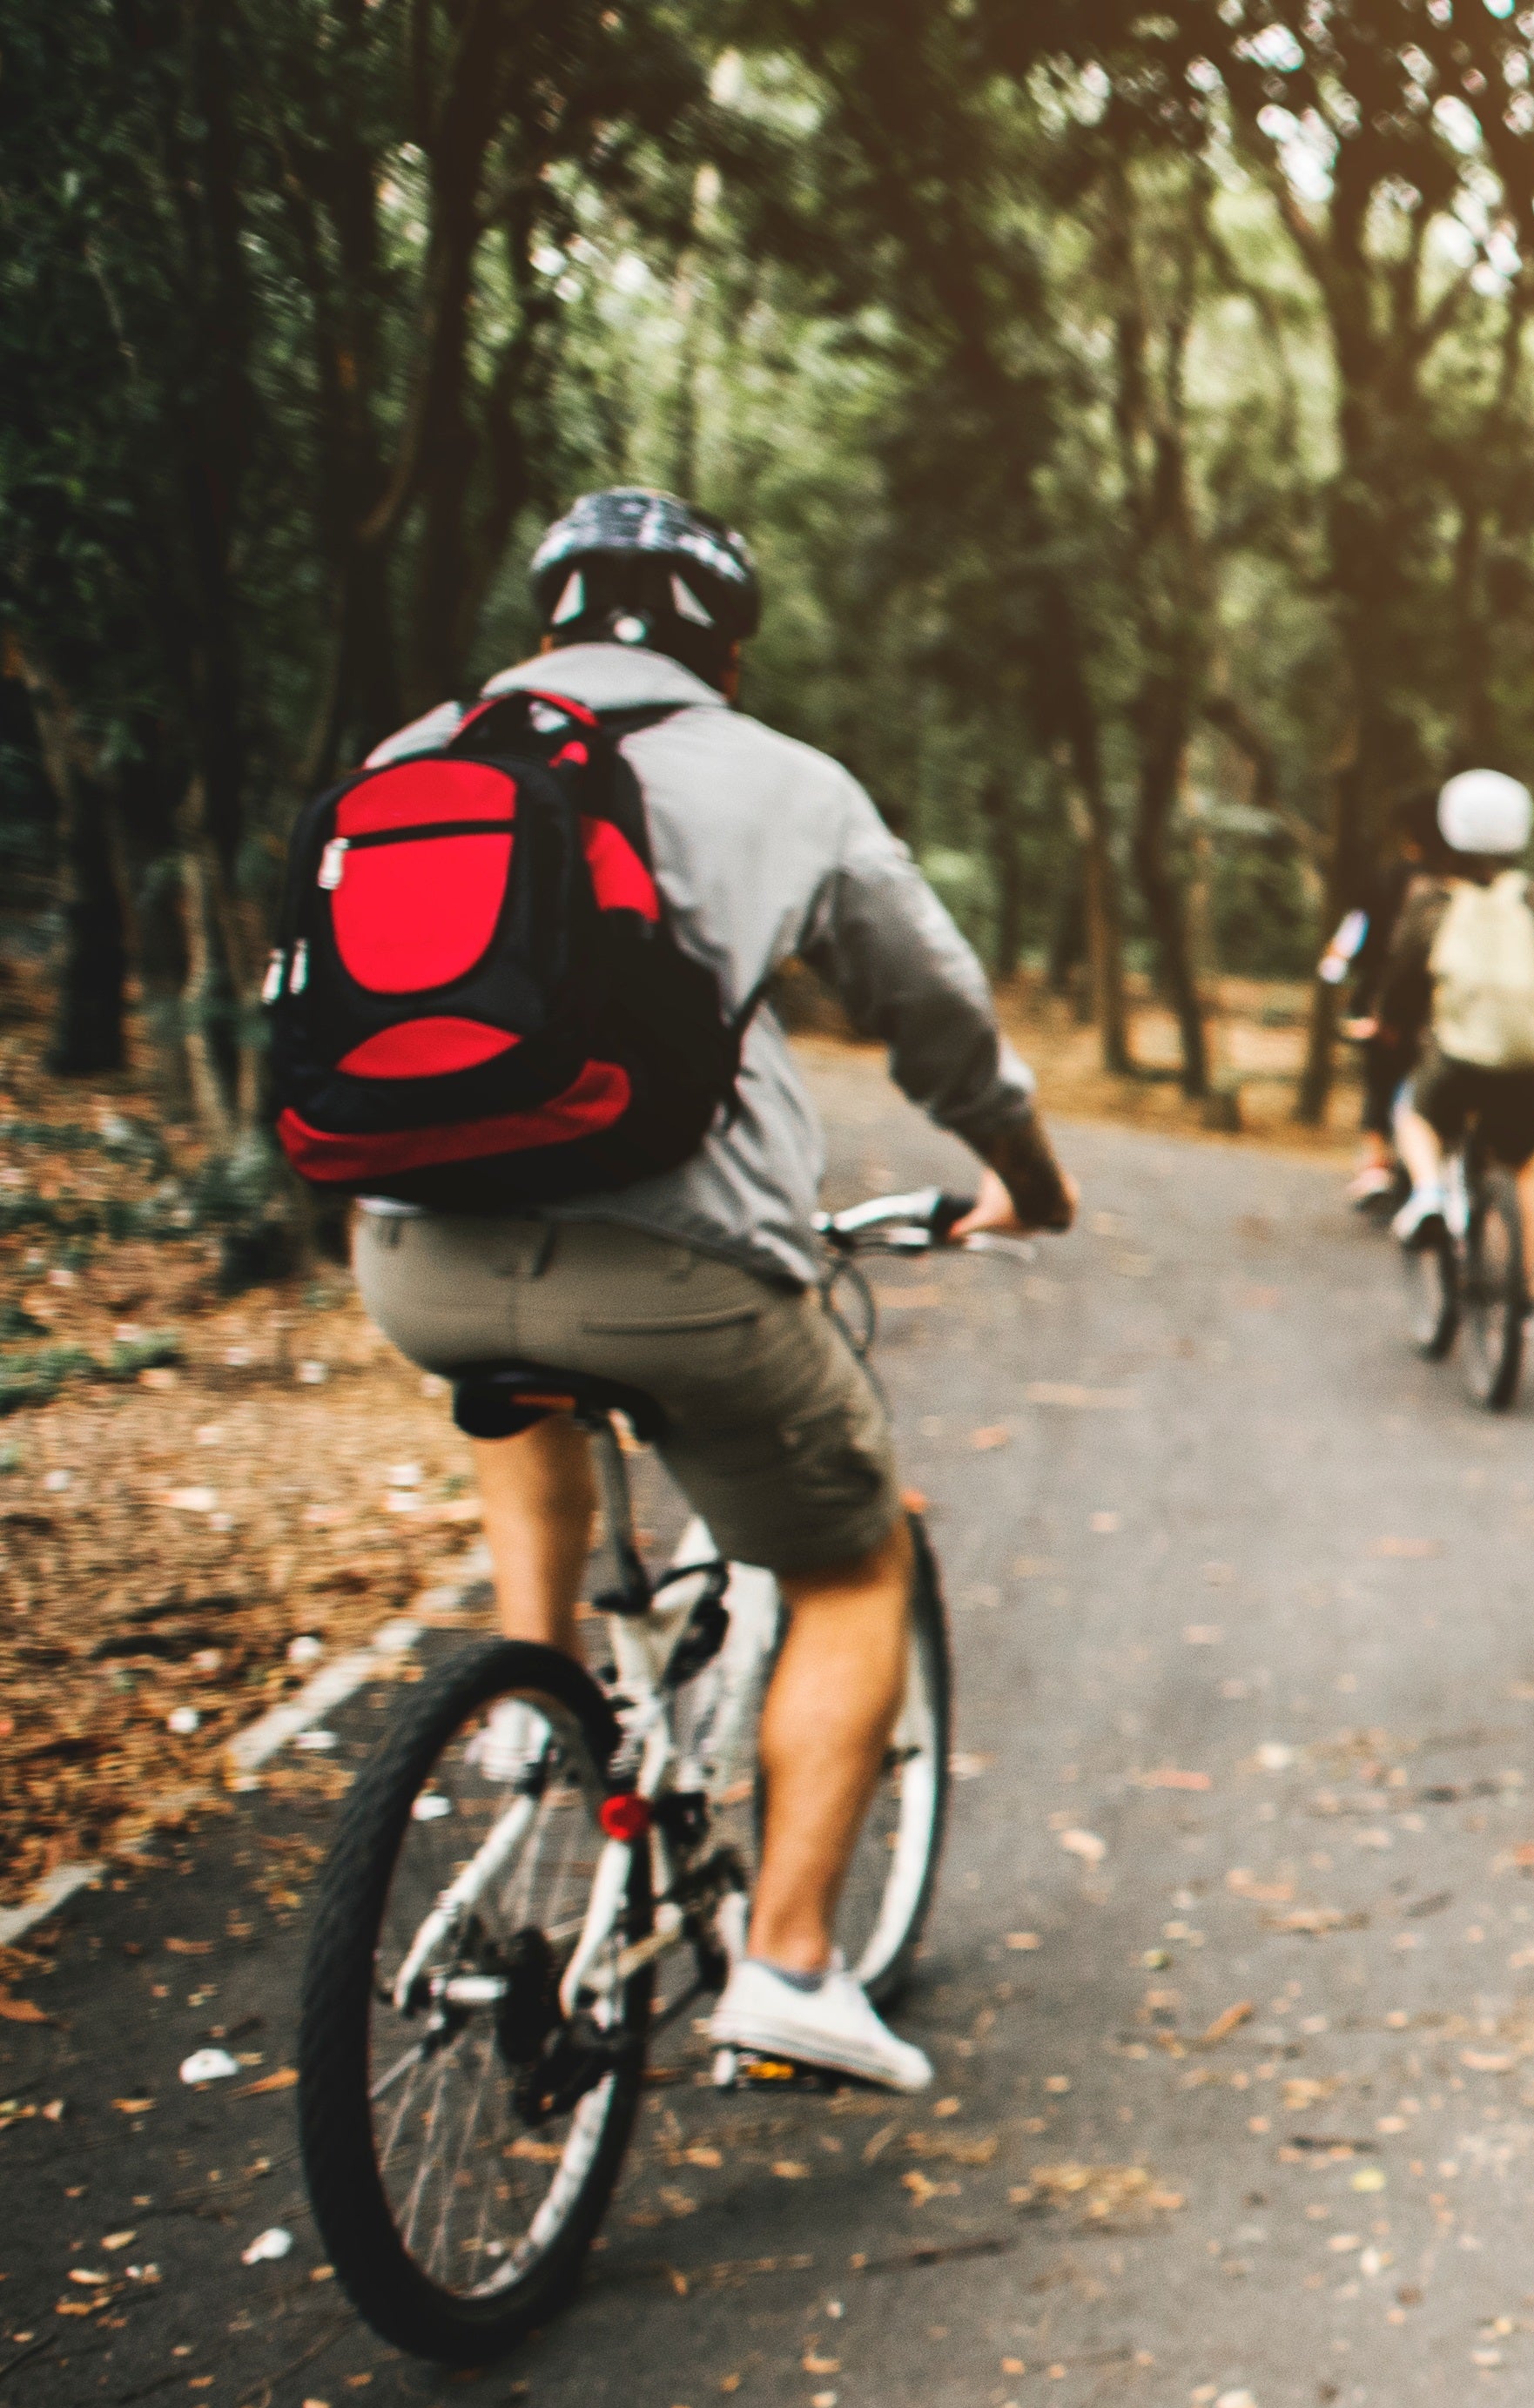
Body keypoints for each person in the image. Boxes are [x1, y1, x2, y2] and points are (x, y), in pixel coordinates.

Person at [336, 487, 1080, 2095]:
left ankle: (535, 1699)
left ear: (547, 622)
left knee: (515, 1375)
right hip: (678, 1272)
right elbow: (934, 1013)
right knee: (854, 1557)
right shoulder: (781, 780)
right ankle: (793, 1965)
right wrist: (1025, 1168)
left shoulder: (417, 755)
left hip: (415, 1254)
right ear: (724, 649)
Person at [1380, 769, 1534, 1246]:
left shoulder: (1432, 902)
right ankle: (1523, 1305)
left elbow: (1402, 978)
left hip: (1458, 1058)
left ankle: (1426, 1195)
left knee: (1412, 1113)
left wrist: (1388, 1024)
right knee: (1518, 1169)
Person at [1329, 790, 1443, 1218]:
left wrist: (1338, 971)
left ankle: (1376, 1165)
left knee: (1381, 1081)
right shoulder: (1463, 886)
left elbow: (1351, 941)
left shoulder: (1388, 880)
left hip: (1393, 1007)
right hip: (1449, 1011)